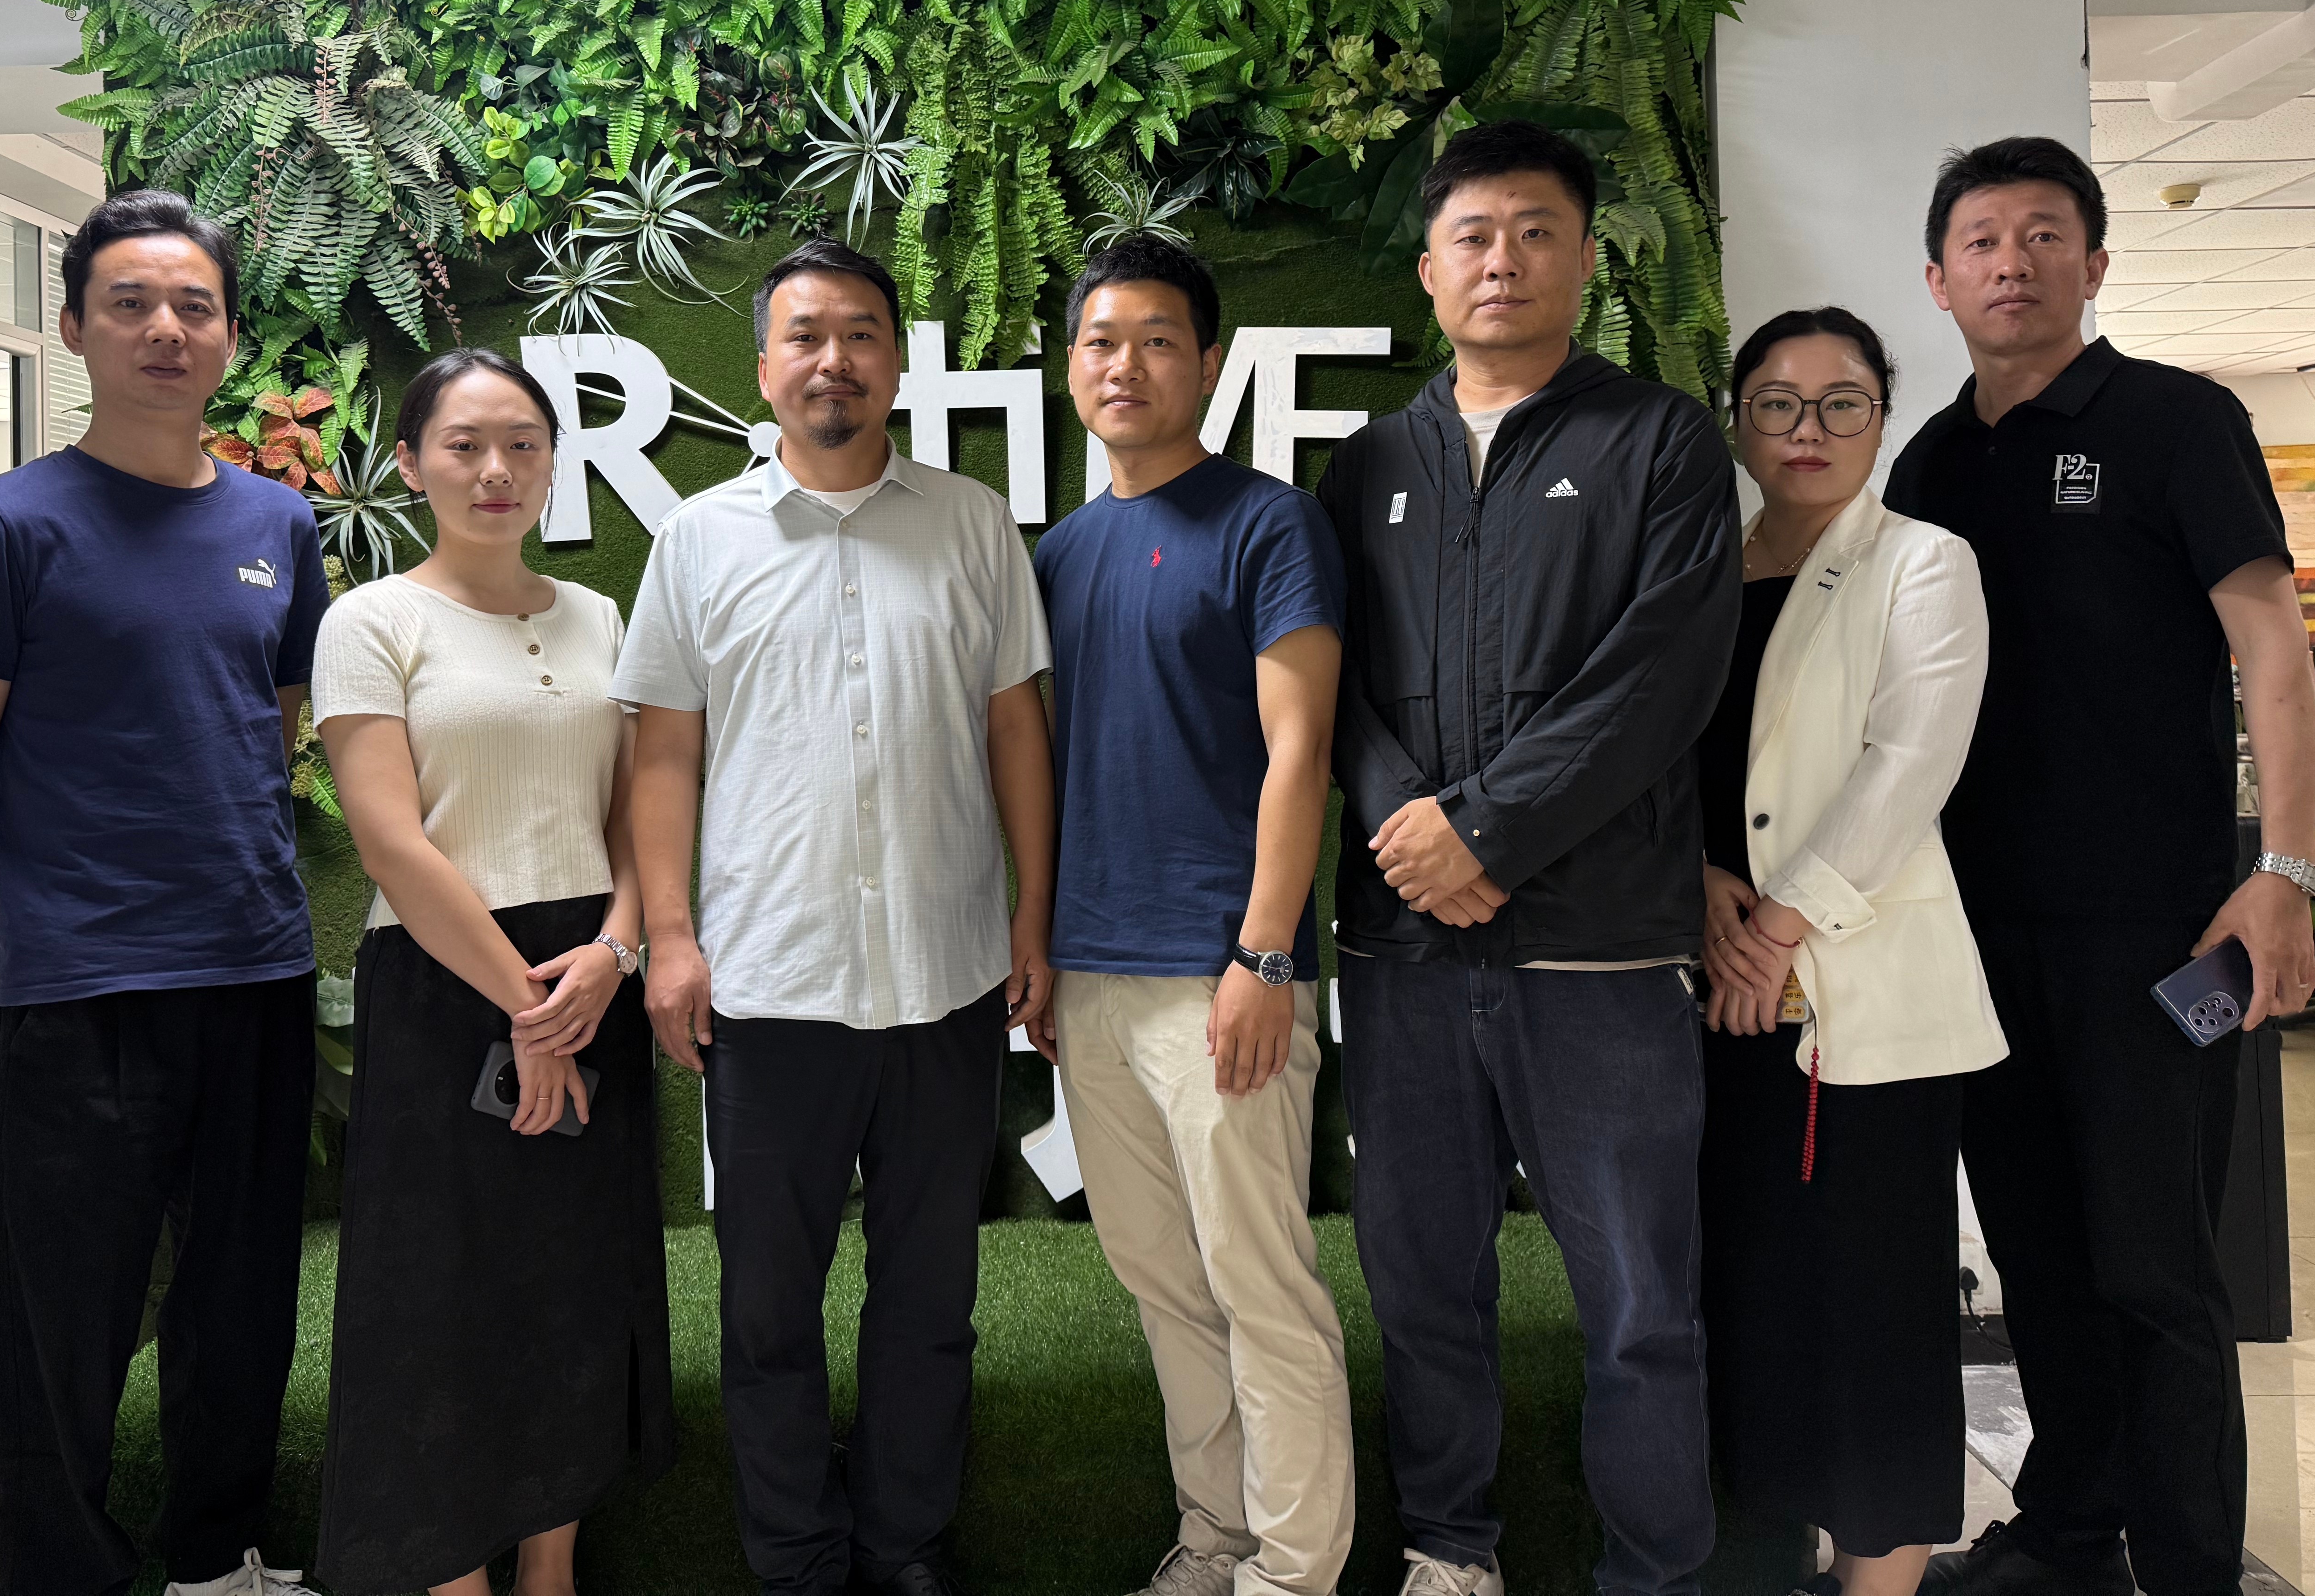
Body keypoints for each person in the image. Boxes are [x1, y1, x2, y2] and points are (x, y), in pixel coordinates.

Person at [1887, 138, 2315, 1596]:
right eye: (1982, 241)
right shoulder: (1932, 462)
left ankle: (2192, 1566)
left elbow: (2272, 647)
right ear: (1938, 280)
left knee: (2155, 1266)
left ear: (2096, 262)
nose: (2012, 262)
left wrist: (2286, 867)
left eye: (2043, 234)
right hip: (1978, 932)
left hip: (2162, 930)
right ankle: (2070, 1531)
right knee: (2040, 1252)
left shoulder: (2178, 422)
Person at [1315, 119, 1740, 1596]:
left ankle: (1656, 1572)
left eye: (1536, 231)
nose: (1504, 260)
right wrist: (1417, 836)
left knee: (1640, 1305)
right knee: (1424, 1282)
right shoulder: (1369, 463)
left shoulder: (1661, 441)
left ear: (1587, 258)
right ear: (1429, 272)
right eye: (1475, 236)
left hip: (1602, 954)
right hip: (1405, 954)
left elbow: (1662, 673)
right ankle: (1452, 1549)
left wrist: (1486, 831)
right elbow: (1330, 685)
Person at [0, 189, 330, 1596]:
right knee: (60, 1330)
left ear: (229, 337)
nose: (164, 329)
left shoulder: (279, 522)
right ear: (77, 327)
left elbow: (269, 728)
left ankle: (216, 1562)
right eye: (131, 303)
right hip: (80, 997)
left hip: (255, 974)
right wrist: (30, 930)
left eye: (194, 306)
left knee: (241, 1306)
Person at [617, 238, 1056, 1596]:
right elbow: (662, 754)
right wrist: (672, 939)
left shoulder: (973, 524)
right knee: (767, 1309)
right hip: (769, 990)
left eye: (861, 334)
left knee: (931, 1300)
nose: (834, 360)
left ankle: (906, 1542)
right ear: (763, 368)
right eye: (805, 336)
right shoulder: (699, 539)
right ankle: (798, 1557)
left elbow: (1017, 731)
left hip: (947, 983)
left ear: (898, 364)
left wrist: (1033, 917)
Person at [310, 347, 673, 1596]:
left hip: (589, 975)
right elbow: (392, 843)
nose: (496, 469)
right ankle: (451, 1571)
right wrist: (527, 1007)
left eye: (523, 443)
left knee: (574, 1276)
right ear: (412, 464)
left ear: (554, 463)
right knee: (443, 1289)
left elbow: (632, 815)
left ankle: (550, 1566)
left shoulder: (600, 617)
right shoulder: (372, 622)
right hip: (445, 982)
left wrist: (615, 952)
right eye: (463, 445)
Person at [1034, 236, 1354, 1596]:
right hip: (1092, 980)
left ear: (1210, 363)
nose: (1128, 365)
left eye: (1159, 340)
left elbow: (1303, 749)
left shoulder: (1269, 523)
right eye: (1103, 341)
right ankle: (1215, 1541)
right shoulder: (1059, 552)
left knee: (1261, 1287)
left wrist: (1265, 953)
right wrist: (1045, 954)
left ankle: (1293, 1571)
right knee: (1165, 1284)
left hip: (1224, 974)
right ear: (1071, 366)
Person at [1693, 307, 2007, 1596]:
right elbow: (1653, 761)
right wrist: (1698, 893)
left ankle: (1882, 1580)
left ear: (1883, 415)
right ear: (1739, 423)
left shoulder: (1922, 562)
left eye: (1842, 402)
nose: (1808, 430)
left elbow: (1909, 764)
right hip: (1708, 985)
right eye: (1777, 403)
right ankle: (1784, 1553)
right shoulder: (1697, 571)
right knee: (1754, 1293)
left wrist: (1776, 926)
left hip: (1853, 997)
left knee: (1877, 1306)